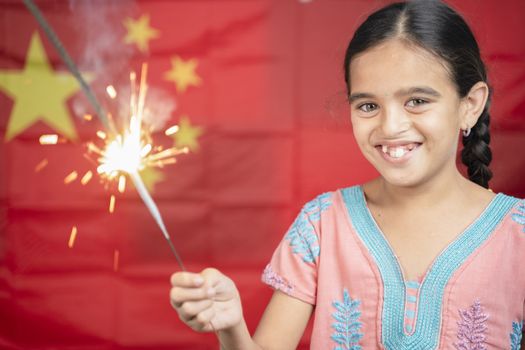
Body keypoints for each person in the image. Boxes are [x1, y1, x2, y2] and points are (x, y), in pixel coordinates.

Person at [169, 0, 525, 348]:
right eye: (368, 106)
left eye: (417, 100)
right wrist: (231, 328)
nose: (391, 125)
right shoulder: (322, 224)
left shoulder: (518, 237)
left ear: (470, 105)